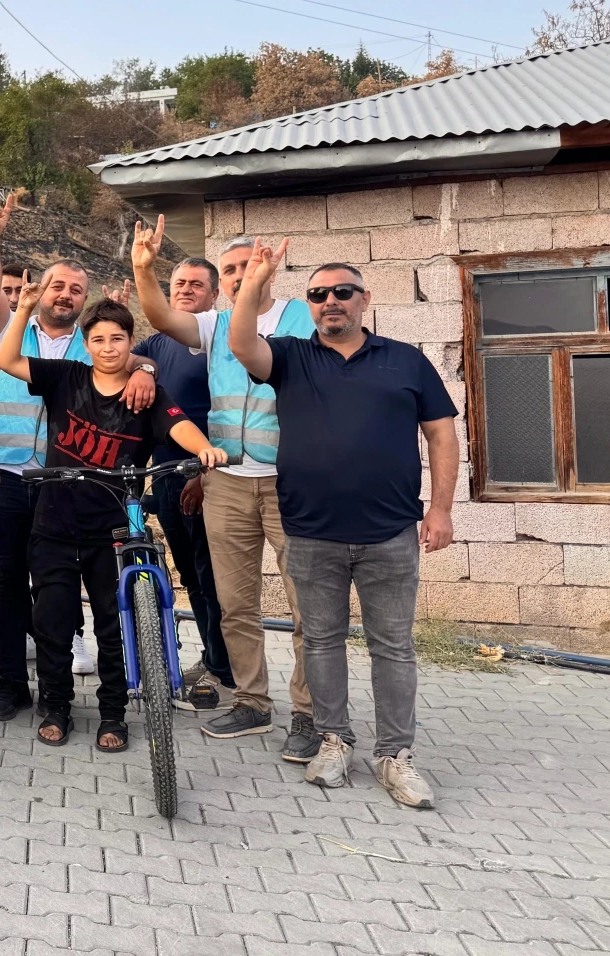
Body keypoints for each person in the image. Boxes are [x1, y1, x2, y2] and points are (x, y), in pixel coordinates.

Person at [229, 248, 457, 808]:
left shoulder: (406, 361)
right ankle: (334, 741)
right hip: (310, 531)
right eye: (318, 295)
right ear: (309, 307)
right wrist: (256, 279)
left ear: (364, 300)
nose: (330, 302)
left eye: (342, 292)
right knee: (323, 642)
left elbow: (443, 435)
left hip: (391, 533)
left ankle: (395, 756)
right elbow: (239, 344)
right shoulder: (289, 357)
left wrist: (443, 509)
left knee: (393, 647)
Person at [0, 293, 226, 750]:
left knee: (110, 624)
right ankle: (57, 705)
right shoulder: (66, 376)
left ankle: (112, 712)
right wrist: (22, 310)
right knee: (53, 623)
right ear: (86, 344)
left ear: (130, 342)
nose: (107, 347)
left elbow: (179, 425)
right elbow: (8, 360)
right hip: (54, 522)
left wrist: (204, 449)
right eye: (98, 339)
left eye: (117, 339)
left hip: (113, 530)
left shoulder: (146, 392)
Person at [132, 220, 317, 761]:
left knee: (309, 607)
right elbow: (163, 318)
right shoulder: (213, 325)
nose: (239, 276)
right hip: (227, 483)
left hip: (290, 482)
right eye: (231, 270)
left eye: (245, 267)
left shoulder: (299, 318)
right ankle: (253, 701)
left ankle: (309, 714)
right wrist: (144, 268)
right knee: (236, 603)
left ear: (269, 268)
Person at [0, 208, 156, 720]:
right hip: (8, 475)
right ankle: (11, 682)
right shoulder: (5, 330)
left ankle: (62, 672)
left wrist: (147, 368)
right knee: (5, 582)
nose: (66, 295)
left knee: (55, 584)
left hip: (67, 483)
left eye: (76, 289)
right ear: (40, 288)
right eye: (58, 285)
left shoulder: (92, 340)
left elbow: (128, 355)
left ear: (84, 300)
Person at [132, 258, 233, 709]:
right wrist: (142, 369)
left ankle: (227, 669)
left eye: (197, 284)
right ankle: (213, 658)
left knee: (213, 577)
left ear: (214, 295)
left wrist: (204, 474)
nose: (186, 290)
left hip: (206, 479)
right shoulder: (157, 342)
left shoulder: (219, 342)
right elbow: (127, 359)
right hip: (166, 477)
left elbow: (227, 415)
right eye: (179, 283)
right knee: (191, 574)